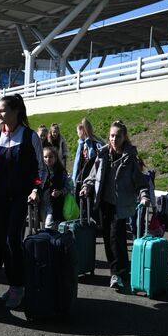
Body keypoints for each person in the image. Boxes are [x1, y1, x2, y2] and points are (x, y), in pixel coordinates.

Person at [0, 94, 46, 308]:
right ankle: (14, 285)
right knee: (2, 240)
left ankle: (19, 287)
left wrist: (36, 188)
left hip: (21, 198)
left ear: (15, 112)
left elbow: (41, 169)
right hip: (1, 197)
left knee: (13, 239)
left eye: (2, 110)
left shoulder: (31, 137)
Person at [80, 120, 150, 290]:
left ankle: (116, 274)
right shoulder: (103, 154)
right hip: (104, 203)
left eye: (118, 136)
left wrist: (144, 196)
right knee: (109, 238)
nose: (114, 139)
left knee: (115, 237)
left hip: (121, 205)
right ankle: (122, 271)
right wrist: (86, 186)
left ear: (124, 137)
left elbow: (140, 183)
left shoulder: (130, 158)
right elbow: (92, 176)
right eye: (112, 135)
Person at [71, 118, 104, 200]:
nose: (77, 134)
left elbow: (78, 163)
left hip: (89, 175)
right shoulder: (95, 142)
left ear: (82, 131)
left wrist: (74, 179)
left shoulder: (91, 144)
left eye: (78, 132)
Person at [40, 146, 70, 229]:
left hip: (55, 204)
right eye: (45, 157)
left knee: (49, 225)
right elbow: (37, 182)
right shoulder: (41, 171)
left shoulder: (61, 172)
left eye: (50, 157)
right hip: (42, 204)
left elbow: (67, 187)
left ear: (55, 158)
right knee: (44, 225)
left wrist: (60, 192)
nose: (48, 159)